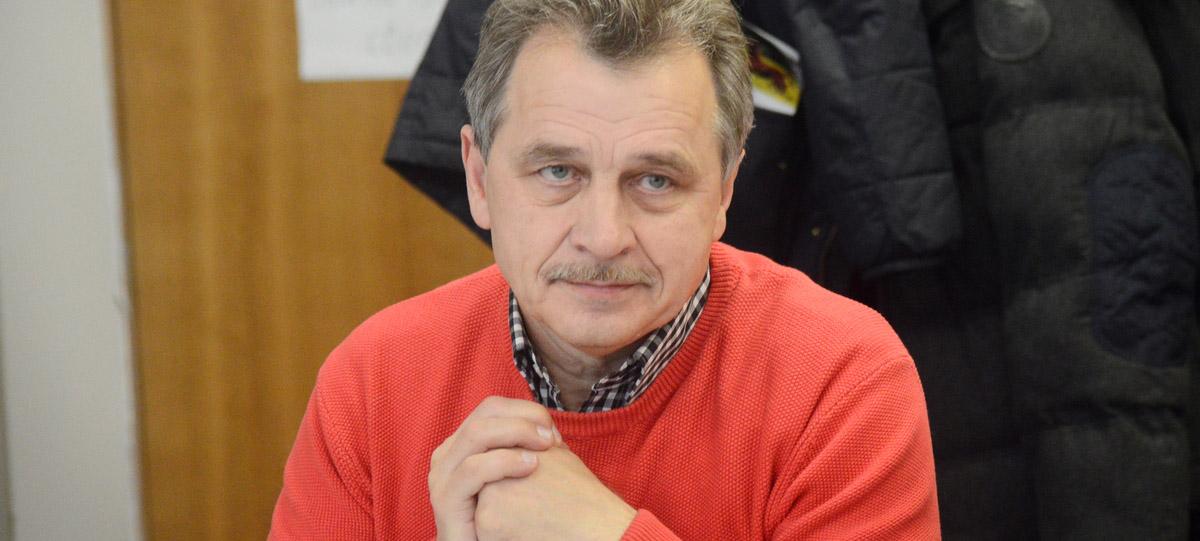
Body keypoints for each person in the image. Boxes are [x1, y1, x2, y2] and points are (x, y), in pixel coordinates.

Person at [270, 0, 940, 538]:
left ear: (725, 190)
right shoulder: (373, 383)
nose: (603, 237)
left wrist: (609, 534)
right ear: (478, 177)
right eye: (557, 172)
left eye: (655, 180)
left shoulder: (843, 381)